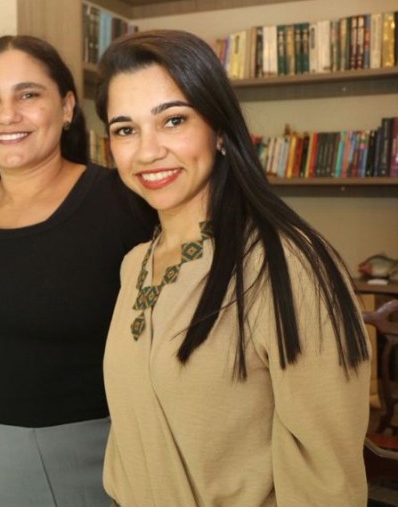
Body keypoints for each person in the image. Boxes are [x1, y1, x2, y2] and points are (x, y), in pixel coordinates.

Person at [96, 29, 370, 505]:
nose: (147, 151)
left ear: (219, 131)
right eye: (125, 130)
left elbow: (327, 480)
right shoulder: (134, 264)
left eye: (173, 120)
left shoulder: (287, 265)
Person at [0, 35, 154, 506]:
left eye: (28, 94)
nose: (8, 115)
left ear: (68, 107)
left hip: (81, 458)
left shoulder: (122, 202)